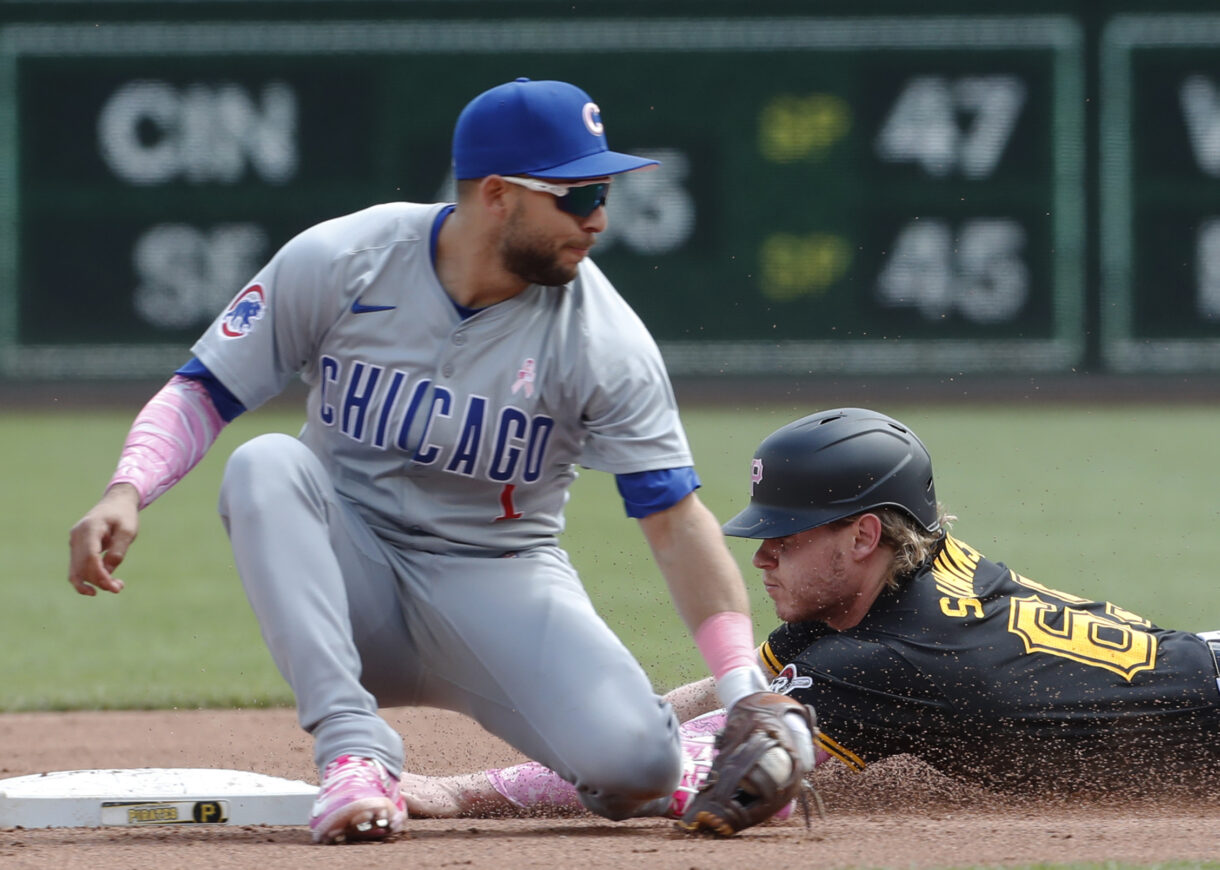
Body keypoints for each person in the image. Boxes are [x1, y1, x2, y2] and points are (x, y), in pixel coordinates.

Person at [67, 78, 799, 845]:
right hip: (348, 577)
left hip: (500, 578)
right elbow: (204, 390)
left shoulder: (603, 339)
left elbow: (675, 522)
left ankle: (681, 763)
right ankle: (351, 753)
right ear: (496, 194)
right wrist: (128, 489)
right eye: (577, 194)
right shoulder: (345, 259)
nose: (599, 218)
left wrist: (742, 689)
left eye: (603, 192)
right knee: (267, 464)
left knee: (635, 767)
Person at [398, 406, 1220, 819]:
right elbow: (741, 688)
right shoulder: (906, 578)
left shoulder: (890, 661)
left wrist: (452, 794)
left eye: (786, 536)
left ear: (865, 534)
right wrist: (643, 711)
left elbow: (667, 769)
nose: (761, 556)